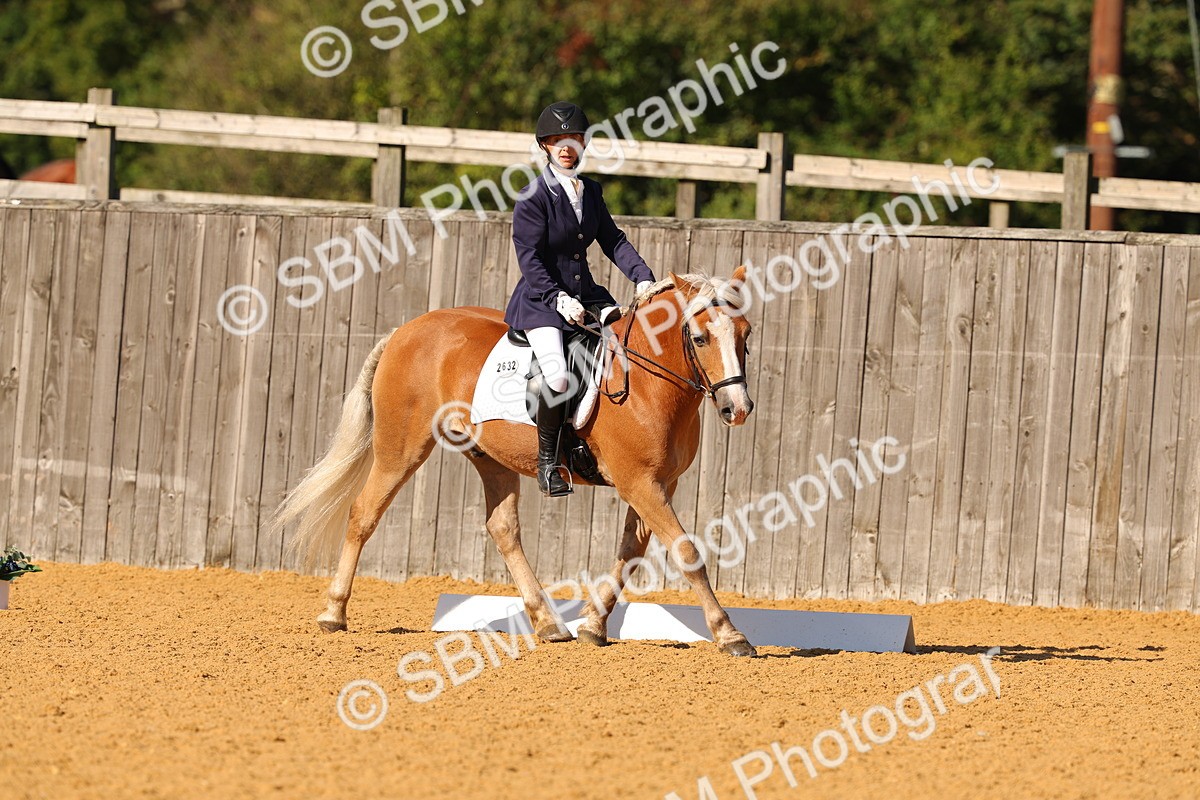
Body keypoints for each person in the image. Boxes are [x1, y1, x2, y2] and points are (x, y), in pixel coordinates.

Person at [504, 101, 655, 498]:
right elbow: (529, 257)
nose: (566, 146)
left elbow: (613, 240)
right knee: (556, 374)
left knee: (624, 348)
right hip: (541, 303)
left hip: (586, 296)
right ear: (545, 146)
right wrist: (556, 298)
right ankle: (549, 464)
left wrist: (643, 278)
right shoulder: (533, 195)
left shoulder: (590, 192)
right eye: (557, 140)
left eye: (573, 138)